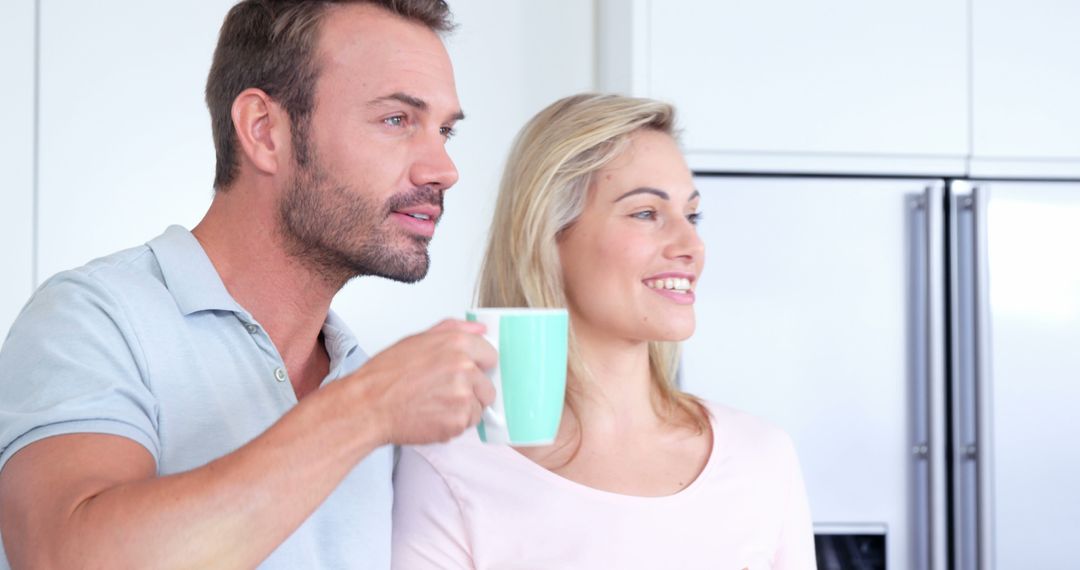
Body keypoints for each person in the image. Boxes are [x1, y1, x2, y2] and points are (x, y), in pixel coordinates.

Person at [0, 1, 497, 568]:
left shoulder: (363, 375)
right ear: (264, 131)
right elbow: (61, 556)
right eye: (396, 120)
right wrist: (364, 412)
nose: (443, 169)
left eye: (445, 131)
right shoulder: (91, 320)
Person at [391, 94, 818, 569]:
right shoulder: (451, 464)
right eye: (646, 213)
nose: (691, 245)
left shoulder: (762, 458)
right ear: (547, 235)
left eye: (691, 215)